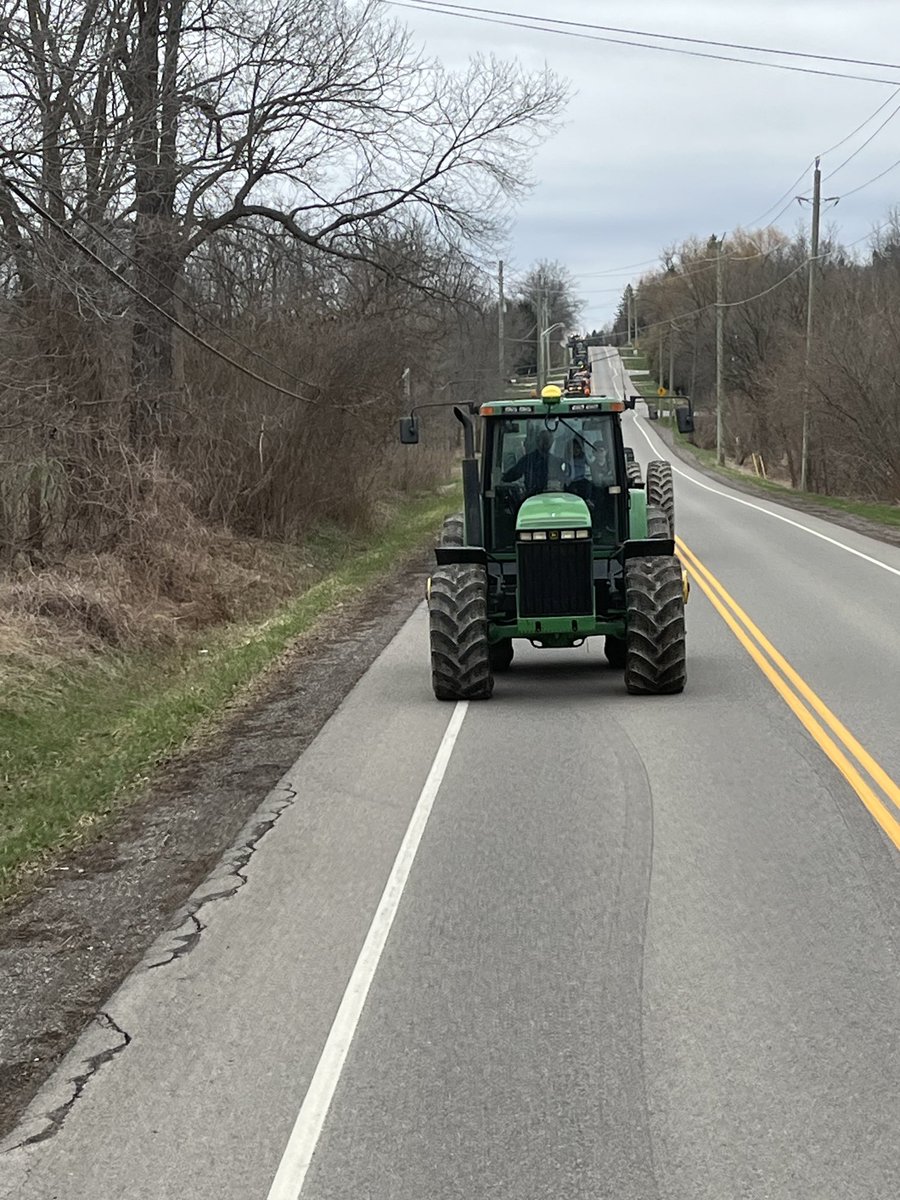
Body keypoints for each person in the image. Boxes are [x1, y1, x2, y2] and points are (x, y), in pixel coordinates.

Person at [501, 429, 561, 495]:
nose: (545, 443)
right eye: (543, 440)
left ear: (551, 443)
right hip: (532, 497)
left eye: (547, 441)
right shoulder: (528, 460)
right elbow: (514, 473)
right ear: (538, 441)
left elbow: (564, 479)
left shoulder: (556, 462)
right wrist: (501, 478)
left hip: (551, 497)